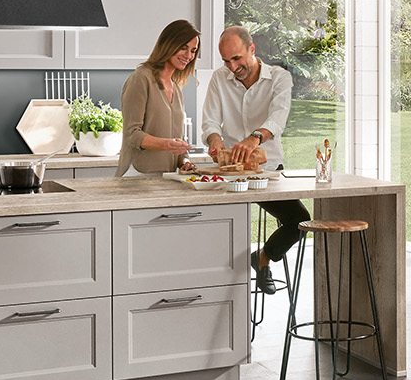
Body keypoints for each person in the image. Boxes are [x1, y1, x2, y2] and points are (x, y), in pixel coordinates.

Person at [202, 25, 307, 294]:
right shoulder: (219, 78)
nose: (232, 66)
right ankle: (214, 286)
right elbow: (210, 121)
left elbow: (278, 118)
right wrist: (214, 140)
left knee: (300, 221)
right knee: (215, 229)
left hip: (268, 169)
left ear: (252, 49)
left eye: (237, 58)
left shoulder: (280, 78)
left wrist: (254, 138)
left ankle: (262, 258)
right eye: (226, 61)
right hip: (230, 174)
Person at [116, 19, 200, 176]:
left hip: (167, 178)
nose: (189, 56)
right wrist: (167, 144)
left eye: (193, 51)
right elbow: (132, 134)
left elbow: (178, 140)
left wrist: (185, 162)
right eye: (183, 48)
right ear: (168, 44)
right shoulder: (141, 78)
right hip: (137, 176)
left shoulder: (176, 87)